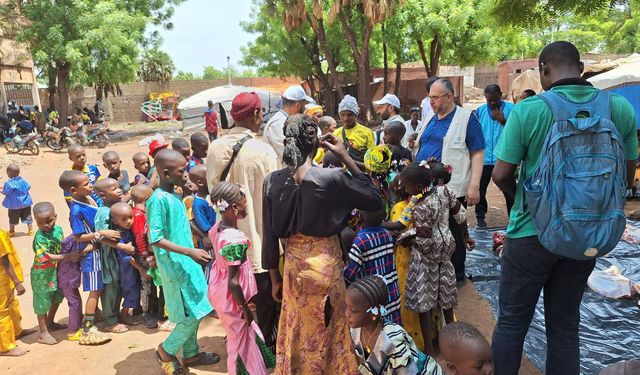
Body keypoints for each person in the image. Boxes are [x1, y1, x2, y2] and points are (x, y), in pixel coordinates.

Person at [491, 41, 638, 375]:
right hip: (587, 237)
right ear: (582, 68)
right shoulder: (619, 109)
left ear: (543, 70)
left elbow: (500, 174)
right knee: (565, 324)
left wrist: (524, 204)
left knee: (513, 323)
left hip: (530, 235)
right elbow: (626, 177)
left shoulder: (530, 110)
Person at [262, 114, 384, 374]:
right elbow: (375, 201)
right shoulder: (331, 178)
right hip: (325, 266)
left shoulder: (271, 181)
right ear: (316, 143)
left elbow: (269, 235)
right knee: (330, 326)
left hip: (294, 268)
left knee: (297, 324)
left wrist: (274, 278)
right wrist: (345, 156)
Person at [206, 92, 279, 349]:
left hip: (227, 239)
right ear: (257, 114)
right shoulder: (264, 151)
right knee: (265, 296)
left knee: (234, 292)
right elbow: (275, 195)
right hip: (259, 238)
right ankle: (265, 343)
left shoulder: (214, 148)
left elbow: (213, 191)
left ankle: (237, 336)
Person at [147, 149, 219, 373]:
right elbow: (156, 238)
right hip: (176, 267)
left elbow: (179, 225)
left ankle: (191, 353)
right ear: (167, 174)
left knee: (197, 308)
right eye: (182, 172)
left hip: (187, 264)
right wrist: (189, 252)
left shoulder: (174, 196)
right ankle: (166, 351)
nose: (186, 175)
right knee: (192, 313)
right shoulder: (157, 200)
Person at [413, 78, 485, 284]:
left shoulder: (466, 119)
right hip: (425, 188)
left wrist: (474, 185)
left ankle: (457, 276)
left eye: (435, 98)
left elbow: (477, 153)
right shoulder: (430, 117)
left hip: (451, 190)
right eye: (430, 98)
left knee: (452, 232)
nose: (431, 102)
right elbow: (424, 141)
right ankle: (435, 271)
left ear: (449, 96)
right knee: (431, 231)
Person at [397, 161, 472, 356]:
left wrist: (406, 237)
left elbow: (424, 238)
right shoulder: (444, 193)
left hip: (425, 260)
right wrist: (465, 236)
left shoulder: (419, 207)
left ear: (419, 188)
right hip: (446, 255)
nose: (404, 189)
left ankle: (430, 350)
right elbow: (460, 214)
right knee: (446, 301)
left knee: (424, 305)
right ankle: (455, 345)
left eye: (406, 186)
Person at [207, 182, 275, 375]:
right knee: (238, 344)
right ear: (234, 207)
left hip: (220, 292)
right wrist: (244, 308)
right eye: (244, 202)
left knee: (244, 338)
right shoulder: (234, 239)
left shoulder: (217, 229)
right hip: (233, 300)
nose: (247, 206)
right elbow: (234, 282)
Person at [59, 170, 119, 345]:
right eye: (86, 184)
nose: (90, 185)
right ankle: (88, 327)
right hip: (91, 254)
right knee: (95, 289)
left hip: (98, 248)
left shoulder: (89, 198)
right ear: (73, 190)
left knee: (99, 287)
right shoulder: (76, 209)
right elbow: (78, 236)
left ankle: (93, 317)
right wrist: (101, 233)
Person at [346, 276, 443, 375]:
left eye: (353, 310)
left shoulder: (393, 341)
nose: (347, 314)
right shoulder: (356, 330)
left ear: (373, 313)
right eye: (346, 307)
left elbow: (408, 372)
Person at [343, 208, 401, 324]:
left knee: (376, 334)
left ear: (360, 217)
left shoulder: (360, 242)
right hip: (392, 295)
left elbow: (348, 276)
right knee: (392, 331)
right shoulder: (387, 234)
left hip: (373, 300)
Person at [93, 178, 134, 332]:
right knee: (111, 286)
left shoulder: (117, 207)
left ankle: (118, 314)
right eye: (113, 188)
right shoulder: (103, 212)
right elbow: (101, 238)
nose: (118, 190)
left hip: (118, 256)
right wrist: (122, 246)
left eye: (118, 187)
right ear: (103, 196)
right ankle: (110, 320)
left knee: (119, 284)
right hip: (108, 255)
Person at [30, 202, 74, 345]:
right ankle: (43, 332)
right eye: (41, 222)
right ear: (35, 221)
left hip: (56, 271)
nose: (46, 225)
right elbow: (44, 256)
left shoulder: (59, 230)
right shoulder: (40, 236)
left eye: (49, 221)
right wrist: (68, 257)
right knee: (42, 302)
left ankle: (50, 322)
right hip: (41, 274)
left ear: (55, 217)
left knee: (57, 295)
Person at [474, 84, 515, 228]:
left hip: (504, 157)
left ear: (501, 94)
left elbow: (517, 130)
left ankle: (513, 218)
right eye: (489, 100)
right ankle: (480, 218)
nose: (492, 103)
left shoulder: (511, 109)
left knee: (508, 189)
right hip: (484, 158)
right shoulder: (479, 112)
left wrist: (502, 120)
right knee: (480, 189)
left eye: (495, 100)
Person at [0, 229, 36, 356]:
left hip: (5, 279)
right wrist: (16, 282)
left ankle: (16, 331)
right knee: (2, 312)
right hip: (2, 281)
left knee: (12, 305)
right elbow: (3, 259)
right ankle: (6, 347)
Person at [110, 202, 146, 326]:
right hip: (127, 268)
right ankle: (124, 313)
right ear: (115, 221)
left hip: (133, 266)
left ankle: (136, 308)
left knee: (136, 286)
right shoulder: (119, 236)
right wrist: (141, 269)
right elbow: (127, 257)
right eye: (124, 219)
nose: (129, 221)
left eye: (131, 217)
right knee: (130, 288)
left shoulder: (129, 229)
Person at [130, 184, 160, 329]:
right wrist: (147, 256)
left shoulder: (143, 212)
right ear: (147, 198)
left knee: (153, 284)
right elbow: (140, 237)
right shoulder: (138, 215)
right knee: (146, 285)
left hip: (149, 254)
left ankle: (155, 310)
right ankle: (146, 313)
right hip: (145, 256)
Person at [264, 85, 313, 161]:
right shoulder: (278, 124)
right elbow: (291, 156)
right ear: (298, 106)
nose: (305, 109)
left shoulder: (287, 121)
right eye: (304, 105)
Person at [333, 95, 376, 170]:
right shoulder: (335, 133)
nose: (345, 118)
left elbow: (372, 160)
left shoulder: (367, 133)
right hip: (340, 176)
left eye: (349, 115)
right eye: (342, 115)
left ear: (355, 115)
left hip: (360, 175)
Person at [58, 235, 86, 341]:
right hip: (68, 278)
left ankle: (77, 324)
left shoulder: (70, 239)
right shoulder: (75, 240)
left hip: (67, 277)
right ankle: (73, 331)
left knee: (76, 301)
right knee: (75, 303)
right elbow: (78, 254)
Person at [2, 164, 34, 236]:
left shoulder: (8, 183)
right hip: (26, 203)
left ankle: (12, 231)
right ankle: (31, 230)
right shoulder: (23, 180)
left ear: (9, 173)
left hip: (14, 205)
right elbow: (28, 187)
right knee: (27, 216)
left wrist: (1, 191)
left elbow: (5, 192)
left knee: (12, 218)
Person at [189, 166, 216, 248]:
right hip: (211, 239)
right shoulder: (198, 204)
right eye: (209, 175)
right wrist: (208, 237)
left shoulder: (212, 194)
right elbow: (204, 226)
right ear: (200, 183)